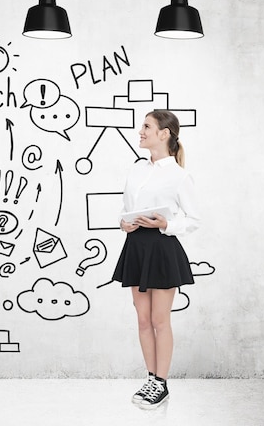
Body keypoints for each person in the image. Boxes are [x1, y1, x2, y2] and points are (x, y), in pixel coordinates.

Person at [112, 110, 200, 409]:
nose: (141, 131)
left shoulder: (179, 175)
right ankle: (151, 378)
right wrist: (124, 223)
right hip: (136, 245)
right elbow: (127, 209)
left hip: (162, 249)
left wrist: (165, 224)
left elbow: (193, 219)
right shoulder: (136, 170)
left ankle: (160, 383)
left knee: (160, 320)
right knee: (143, 319)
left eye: (147, 126)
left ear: (164, 133)